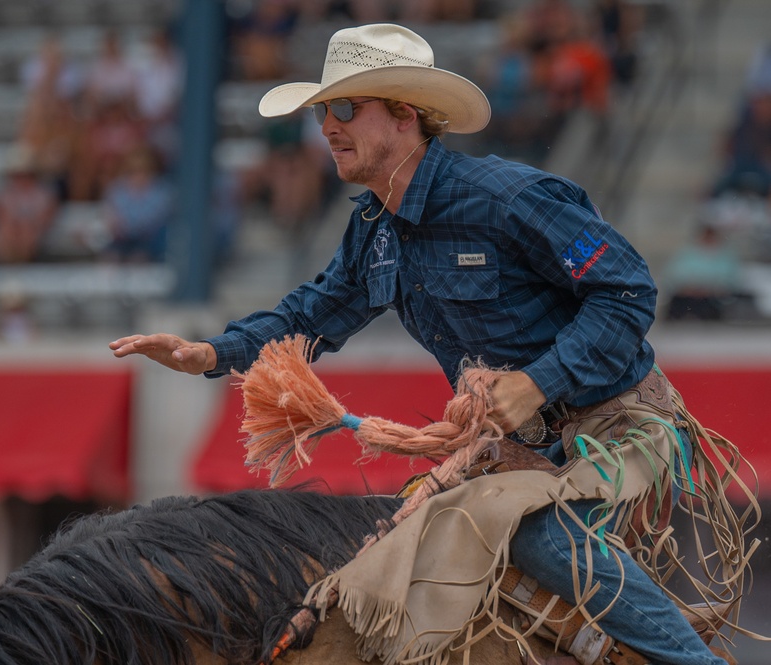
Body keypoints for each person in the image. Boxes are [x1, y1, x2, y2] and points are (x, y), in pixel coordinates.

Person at [111, 24, 746, 665]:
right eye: (321, 111)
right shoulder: (372, 231)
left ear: (403, 117)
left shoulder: (509, 197)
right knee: (385, 565)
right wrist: (211, 354)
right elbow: (312, 313)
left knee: (531, 533)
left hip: (621, 431)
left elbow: (628, 291)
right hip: (519, 456)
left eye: (342, 108)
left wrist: (537, 382)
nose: (325, 126)